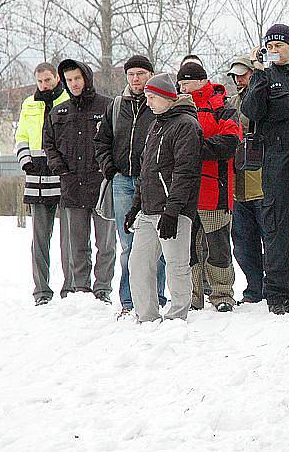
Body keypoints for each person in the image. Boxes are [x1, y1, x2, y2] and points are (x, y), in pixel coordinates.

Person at [123, 74, 203, 322]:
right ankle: (146, 315)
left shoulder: (186, 125)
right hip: (149, 210)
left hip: (174, 210)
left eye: (152, 97)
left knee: (176, 264)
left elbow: (185, 172)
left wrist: (172, 210)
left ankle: (178, 315)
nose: (148, 103)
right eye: (146, 98)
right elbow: (146, 169)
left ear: (168, 97)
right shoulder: (157, 124)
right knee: (138, 264)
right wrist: (135, 205)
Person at [242, 24, 289, 315]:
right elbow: (251, 111)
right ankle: (277, 293)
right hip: (274, 158)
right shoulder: (264, 77)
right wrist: (259, 73)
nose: (275, 50)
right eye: (270, 46)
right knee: (276, 224)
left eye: (280, 45)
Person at [94, 55, 166, 317]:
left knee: (156, 246)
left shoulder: (159, 104)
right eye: (131, 74)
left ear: (150, 75)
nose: (136, 79)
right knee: (129, 246)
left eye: (141, 74)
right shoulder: (115, 106)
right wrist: (110, 169)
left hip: (152, 183)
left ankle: (156, 297)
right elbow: (101, 141)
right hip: (123, 181)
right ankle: (128, 301)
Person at [43, 59, 117, 303]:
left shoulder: (107, 106)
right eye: (69, 80)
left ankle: (102, 288)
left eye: (77, 78)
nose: (73, 83)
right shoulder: (58, 111)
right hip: (72, 185)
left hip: (101, 186)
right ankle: (81, 288)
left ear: (86, 78)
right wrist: (59, 168)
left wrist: (108, 168)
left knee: (105, 243)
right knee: (77, 244)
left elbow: (116, 141)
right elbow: (49, 144)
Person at [177, 62, 240, 312]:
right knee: (189, 248)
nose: (182, 87)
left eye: (187, 82)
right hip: (186, 192)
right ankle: (193, 295)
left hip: (217, 190)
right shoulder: (176, 109)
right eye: (180, 83)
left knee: (218, 247)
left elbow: (230, 141)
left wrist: (193, 149)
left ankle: (222, 294)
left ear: (201, 80)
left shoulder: (222, 106)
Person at [15, 62, 72, 305]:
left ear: (57, 78)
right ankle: (41, 291)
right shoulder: (29, 104)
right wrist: (26, 160)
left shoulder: (69, 100)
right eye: (40, 81)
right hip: (37, 177)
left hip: (64, 176)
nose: (44, 85)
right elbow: (21, 136)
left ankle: (71, 289)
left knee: (69, 238)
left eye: (48, 80)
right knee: (39, 238)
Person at [227, 55, 265, 304]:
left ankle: (272, 285)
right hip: (238, 182)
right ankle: (254, 287)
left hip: (262, 180)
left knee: (269, 238)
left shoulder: (263, 97)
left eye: (244, 74)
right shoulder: (230, 103)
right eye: (236, 75)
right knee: (242, 242)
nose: (239, 79)